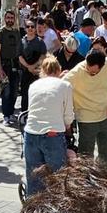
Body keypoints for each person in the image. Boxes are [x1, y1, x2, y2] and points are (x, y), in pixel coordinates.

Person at [21, 54, 74, 195]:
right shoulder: (65, 85)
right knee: (57, 177)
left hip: (31, 132)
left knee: (34, 178)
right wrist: (68, 125)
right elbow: (68, 114)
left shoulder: (33, 85)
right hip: (53, 133)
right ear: (59, 69)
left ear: (42, 71)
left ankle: (32, 209)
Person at [66, 45, 107, 167]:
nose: (90, 73)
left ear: (102, 66)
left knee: (105, 156)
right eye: (88, 69)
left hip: (106, 116)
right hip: (86, 120)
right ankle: (85, 182)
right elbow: (60, 87)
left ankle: (105, 179)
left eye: (94, 72)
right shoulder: (76, 72)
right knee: (85, 157)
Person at [0, 9, 22, 119]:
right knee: (6, 91)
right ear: (4, 19)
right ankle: (6, 115)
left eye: (11, 18)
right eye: (8, 18)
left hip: (15, 65)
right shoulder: (0, 33)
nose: (10, 20)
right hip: (4, 65)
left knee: (14, 91)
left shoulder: (17, 32)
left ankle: (11, 112)